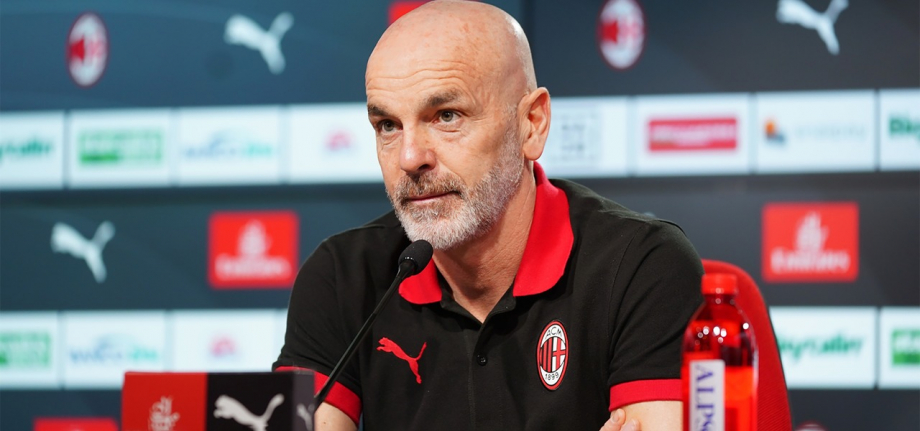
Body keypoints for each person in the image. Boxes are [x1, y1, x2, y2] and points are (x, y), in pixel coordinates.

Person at [274, 1, 703, 430]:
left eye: (446, 116)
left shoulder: (643, 266)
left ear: (531, 123)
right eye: (388, 125)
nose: (409, 158)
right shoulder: (341, 277)